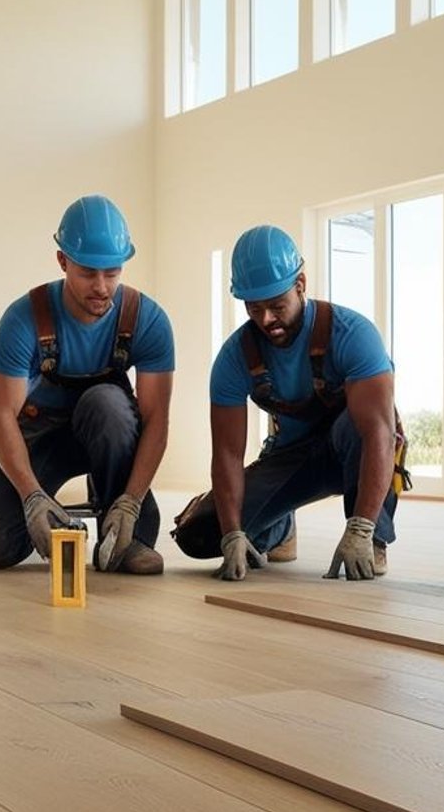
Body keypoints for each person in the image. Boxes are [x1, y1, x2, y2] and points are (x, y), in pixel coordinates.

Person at [171, 225, 399, 581]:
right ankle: (279, 529)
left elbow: (380, 434)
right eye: (254, 307)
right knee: (200, 534)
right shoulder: (234, 358)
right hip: (293, 458)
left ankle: (373, 538)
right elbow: (228, 454)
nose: (266, 319)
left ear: (301, 284)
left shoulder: (354, 334)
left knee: (360, 426)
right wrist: (232, 532)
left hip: (355, 448)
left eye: (277, 305)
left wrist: (362, 527)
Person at [0, 194, 173, 574]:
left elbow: (156, 420)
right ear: (63, 261)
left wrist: (132, 501)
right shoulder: (24, 318)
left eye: (112, 272)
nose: (102, 287)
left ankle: (128, 530)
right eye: (88, 273)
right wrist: (30, 497)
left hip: (111, 434)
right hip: (43, 438)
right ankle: (35, 520)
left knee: (108, 404)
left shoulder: (147, 319)